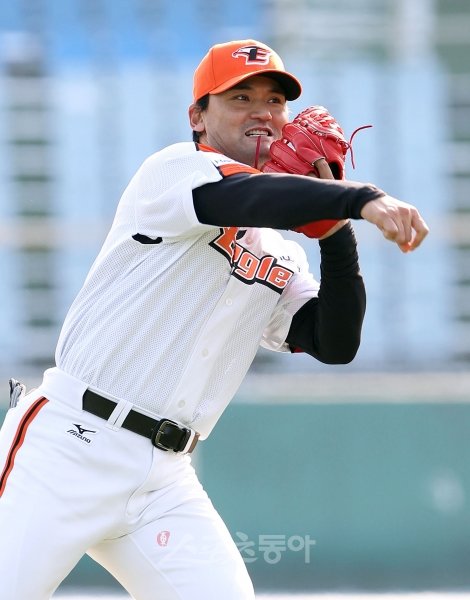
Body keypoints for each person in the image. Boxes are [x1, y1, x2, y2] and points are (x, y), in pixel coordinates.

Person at [0, 39, 428, 600]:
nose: (263, 111)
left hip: (163, 479)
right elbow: (241, 198)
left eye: (275, 100)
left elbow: (333, 341)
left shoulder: (281, 253)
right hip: (70, 447)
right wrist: (358, 197)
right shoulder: (176, 171)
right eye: (240, 96)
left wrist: (334, 231)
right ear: (198, 116)